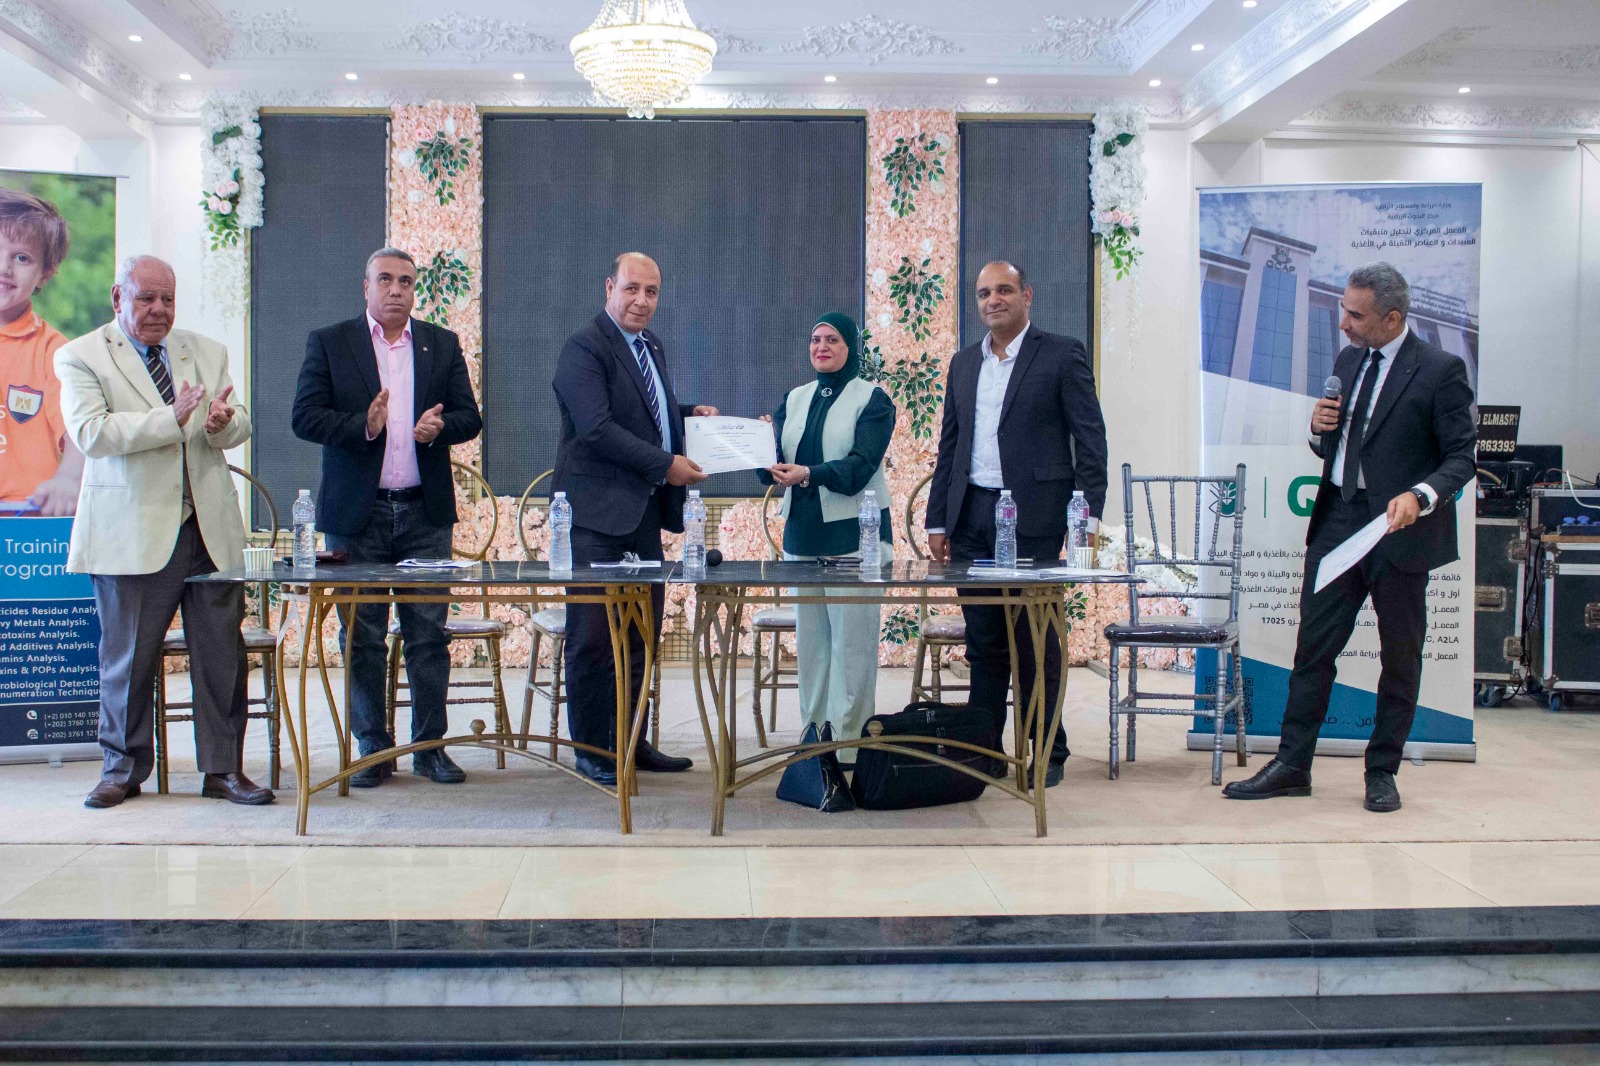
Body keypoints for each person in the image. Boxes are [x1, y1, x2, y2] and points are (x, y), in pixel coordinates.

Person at [1224, 262, 1476, 813]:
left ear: (1393, 318)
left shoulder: (1440, 370)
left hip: (1398, 528)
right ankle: (1293, 765)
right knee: (1313, 649)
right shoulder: (1347, 360)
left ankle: (1381, 771)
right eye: (1344, 310)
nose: (1343, 324)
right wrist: (1318, 430)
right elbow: (1337, 446)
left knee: (1400, 657)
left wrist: (1421, 495)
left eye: (1355, 315)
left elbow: (1462, 457)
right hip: (1338, 520)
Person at [54, 255, 268, 808]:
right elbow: (91, 433)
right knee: (128, 660)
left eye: (167, 299)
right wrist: (170, 418)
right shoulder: (80, 356)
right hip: (132, 534)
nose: (159, 310)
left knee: (222, 658)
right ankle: (121, 770)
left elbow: (239, 420)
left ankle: (222, 770)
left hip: (209, 531)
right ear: (117, 297)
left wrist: (222, 424)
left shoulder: (205, 351)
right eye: (146, 298)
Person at [291, 247, 483, 788]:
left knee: (429, 636)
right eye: (385, 280)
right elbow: (304, 417)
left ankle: (429, 748)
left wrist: (440, 430)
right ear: (366, 286)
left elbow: (469, 417)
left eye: (405, 281)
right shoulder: (331, 342)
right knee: (363, 636)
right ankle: (373, 749)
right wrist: (364, 426)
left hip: (425, 513)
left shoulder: (440, 343)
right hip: (358, 516)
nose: (396, 290)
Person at [925, 261, 1109, 789]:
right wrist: (938, 518)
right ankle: (984, 751)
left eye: (1004, 290)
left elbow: (1090, 440)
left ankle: (1048, 749)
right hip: (971, 517)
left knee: (1035, 639)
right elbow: (950, 446)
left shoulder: (1061, 354)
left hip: (1036, 516)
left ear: (1027, 294)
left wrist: (1087, 519)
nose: (993, 300)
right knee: (984, 642)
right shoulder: (964, 363)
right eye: (984, 293)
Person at [552, 252, 717, 786]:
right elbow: (597, 428)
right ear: (609, 287)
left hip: (641, 513)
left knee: (640, 635)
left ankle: (630, 741)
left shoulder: (650, 347)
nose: (641, 300)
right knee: (594, 640)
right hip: (595, 518)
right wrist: (666, 464)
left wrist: (690, 417)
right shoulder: (584, 347)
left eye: (651, 291)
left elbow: (646, 416)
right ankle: (592, 750)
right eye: (631, 288)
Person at [758, 312, 896, 759]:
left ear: (850, 347)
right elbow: (775, 467)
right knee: (813, 650)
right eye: (816, 339)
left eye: (833, 340)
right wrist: (758, 449)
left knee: (852, 650)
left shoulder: (872, 400)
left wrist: (808, 474)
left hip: (856, 539)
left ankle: (851, 749)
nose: (822, 347)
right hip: (802, 537)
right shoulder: (794, 398)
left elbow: (859, 467)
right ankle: (815, 745)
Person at [0, 189, 85, 515]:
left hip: (25, 517)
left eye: (22, 257)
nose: (4, 268)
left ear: (45, 274)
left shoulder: (54, 350)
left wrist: (69, 478)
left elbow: (79, 431)